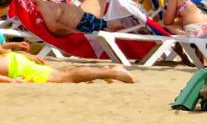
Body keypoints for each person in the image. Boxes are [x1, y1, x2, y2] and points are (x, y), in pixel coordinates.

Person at [0, 40, 134, 84]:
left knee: (66, 77)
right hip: (13, 60)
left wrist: (12, 81)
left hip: (15, 67)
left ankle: (113, 72)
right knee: (62, 72)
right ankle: (106, 72)